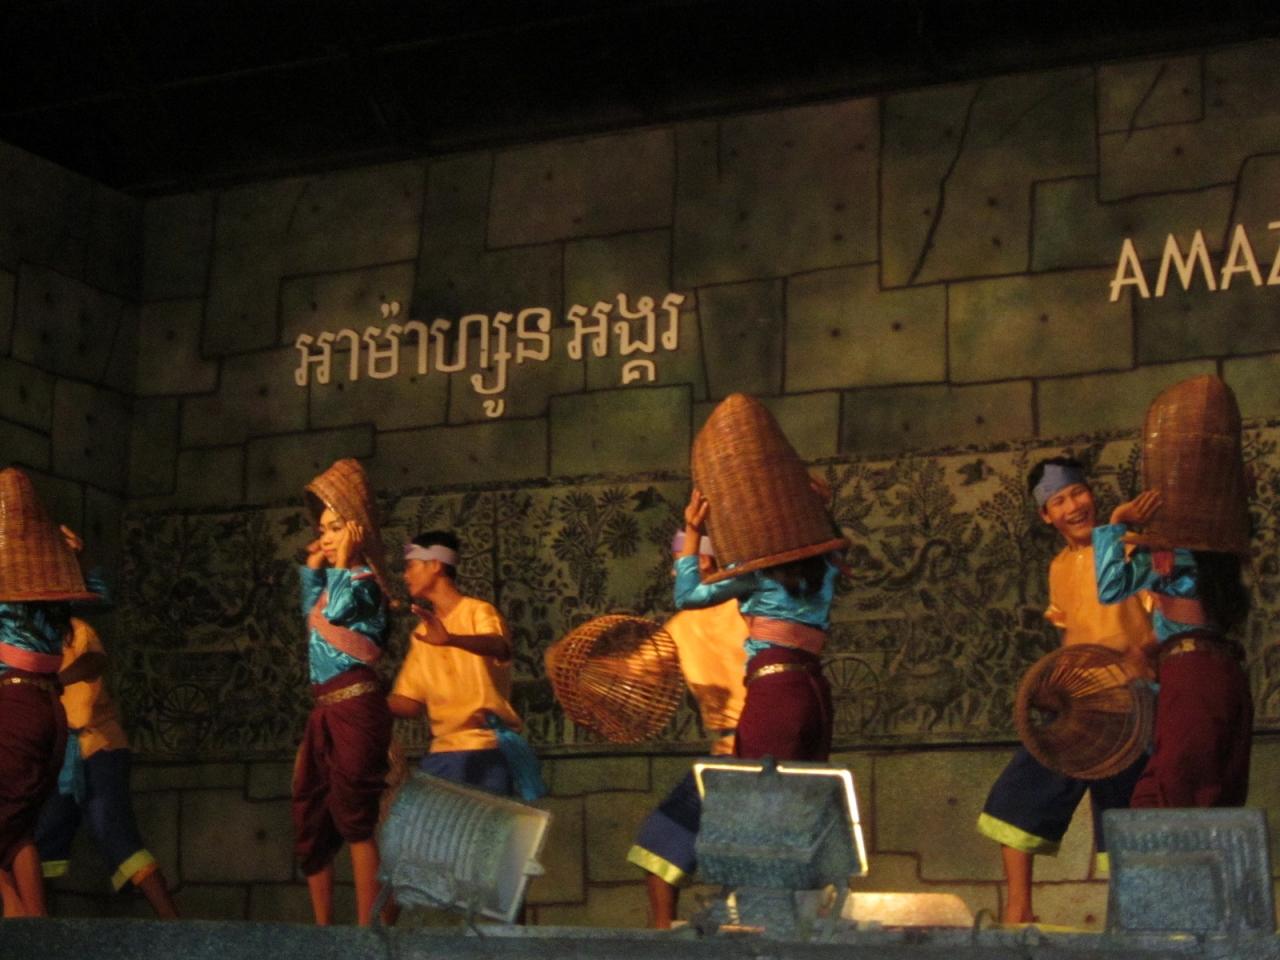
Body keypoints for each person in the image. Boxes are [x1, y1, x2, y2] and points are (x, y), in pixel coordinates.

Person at [977, 457, 1155, 924]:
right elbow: (1070, 637)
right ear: (1046, 515)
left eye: (1077, 492)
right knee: (1015, 799)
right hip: (1080, 707)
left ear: (1091, 493)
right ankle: (1019, 913)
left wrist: (1143, 656)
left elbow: (1163, 616)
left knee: (1124, 818)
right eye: (1059, 500)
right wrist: (1055, 688)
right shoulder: (1058, 567)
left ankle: (1132, 924)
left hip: (1130, 706)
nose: (1073, 506)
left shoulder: (1128, 547)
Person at [35, 529, 178, 918]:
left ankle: (174, 924)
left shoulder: (77, 632)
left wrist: (54, 680)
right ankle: (33, 928)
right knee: (41, 839)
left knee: (112, 830)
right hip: (55, 755)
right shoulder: (27, 637)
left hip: (97, 745)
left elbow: (94, 659)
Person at [1094, 489, 1252, 808]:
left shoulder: (1165, 556)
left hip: (1191, 675)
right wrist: (1145, 650)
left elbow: (1110, 587)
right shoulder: (1220, 555)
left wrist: (1117, 521)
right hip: (1214, 667)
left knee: (1180, 788)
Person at [628, 531, 748, 928]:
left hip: (755, 756)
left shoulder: (747, 608)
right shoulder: (683, 625)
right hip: (724, 761)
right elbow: (635, 672)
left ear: (705, 561)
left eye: (680, 560)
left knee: (754, 871)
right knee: (658, 847)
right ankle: (666, 942)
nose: (672, 570)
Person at [292, 460, 392, 926]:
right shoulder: (333, 580)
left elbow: (339, 612)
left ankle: (366, 932)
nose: (327, 537)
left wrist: (345, 561)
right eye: (323, 530)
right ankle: (323, 931)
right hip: (325, 711)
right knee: (310, 812)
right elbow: (313, 615)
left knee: (355, 817)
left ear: (356, 530)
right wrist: (314, 567)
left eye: (336, 528)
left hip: (356, 707)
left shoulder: (366, 584)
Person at [672, 488, 838, 762]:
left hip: (775, 692)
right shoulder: (826, 567)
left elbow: (686, 596)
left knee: (761, 786)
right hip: (815, 694)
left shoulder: (755, 573)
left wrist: (693, 530)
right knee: (804, 785)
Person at [0, 468, 96, 917]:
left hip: (14, 709)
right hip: (47, 710)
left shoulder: (8, 587)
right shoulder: (47, 584)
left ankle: (20, 933)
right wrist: (71, 559)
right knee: (16, 833)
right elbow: (98, 592)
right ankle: (37, 932)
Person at [388, 531, 532, 796]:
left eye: (410, 566)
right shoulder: (422, 633)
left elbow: (499, 646)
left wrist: (452, 639)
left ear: (435, 564)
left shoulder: (479, 612)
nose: (405, 576)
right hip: (442, 752)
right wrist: (360, 697)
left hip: (484, 748)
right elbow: (410, 702)